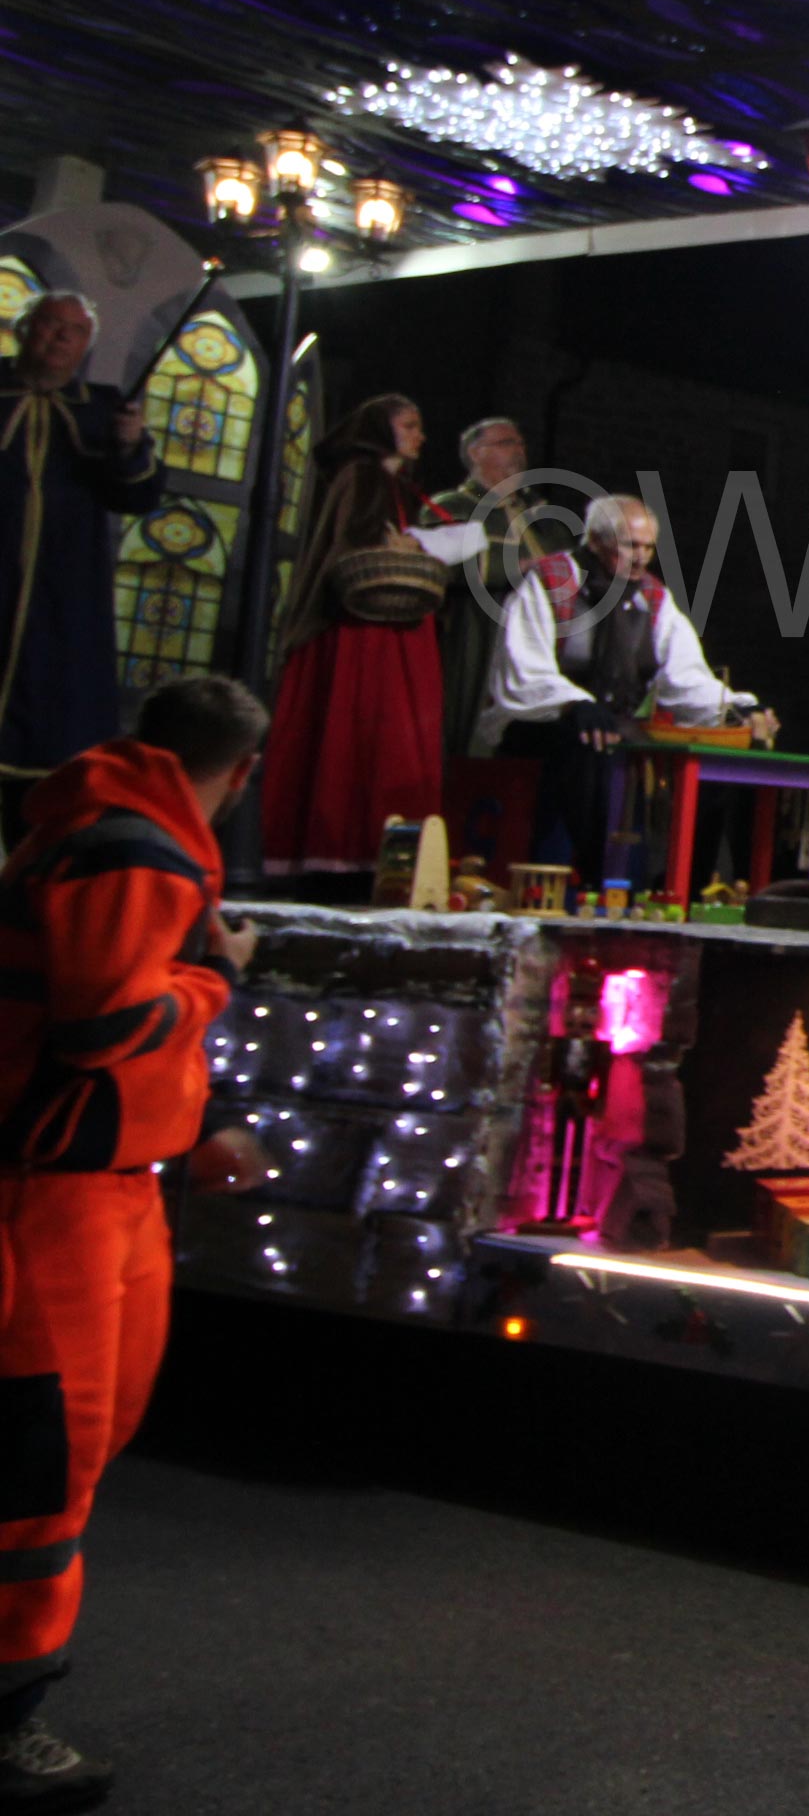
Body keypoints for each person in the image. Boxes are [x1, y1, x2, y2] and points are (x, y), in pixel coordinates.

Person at [0, 673, 275, 1806]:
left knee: (65, 1451)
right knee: (40, 1466)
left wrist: (193, 1125)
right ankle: (7, 1717)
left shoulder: (122, 836)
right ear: (242, 774)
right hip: (54, 1201)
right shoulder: (135, 851)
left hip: (99, 1188)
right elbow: (106, 1020)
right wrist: (218, 976)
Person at [480, 495, 775, 891]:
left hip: (617, 729)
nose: (641, 557)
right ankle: (590, 881)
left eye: (648, 547)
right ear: (596, 541)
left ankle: (683, 885)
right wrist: (574, 703)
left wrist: (737, 708)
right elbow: (525, 663)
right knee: (588, 746)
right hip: (545, 723)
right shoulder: (551, 581)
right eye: (630, 545)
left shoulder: (652, 597)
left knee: (705, 760)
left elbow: (685, 673)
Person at [261, 396, 475, 876]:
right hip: (362, 627)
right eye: (409, 425)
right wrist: (412, 546)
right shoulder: (363, 476)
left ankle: (372, 855)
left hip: (388, 623)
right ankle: (340, 851)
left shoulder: (394, 484)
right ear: (379, 429)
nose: (420, 436)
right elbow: (358, 541)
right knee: (361, 727)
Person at [0, 293, 161, 832]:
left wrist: (130, 447)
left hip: (63, 591)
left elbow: (136, 496)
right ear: (24, 330)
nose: (62, 337)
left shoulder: (103, 409)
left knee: (52, 719)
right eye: (50, 324)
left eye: (75, 330)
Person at [417, 415, 557, 759]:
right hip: (476, 631)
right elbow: (444, 564)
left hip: (542, 634)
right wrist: (522, 567)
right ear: (475, 453)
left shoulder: (538, 512)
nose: (519, 450)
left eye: (521, 443)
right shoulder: (452, 506)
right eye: (507, 443)